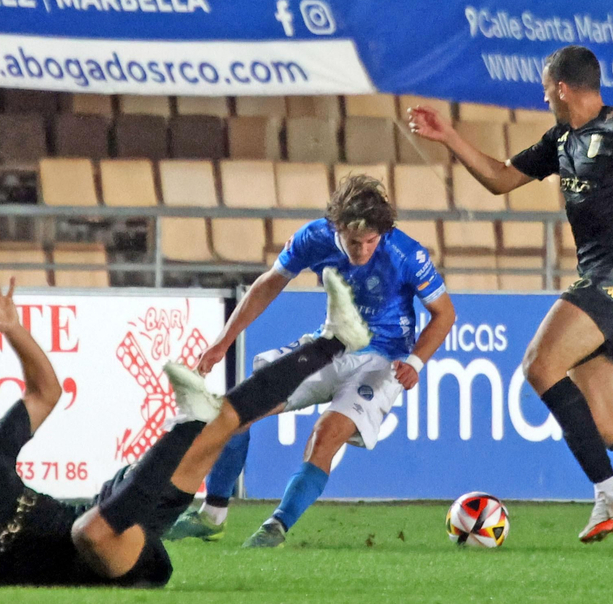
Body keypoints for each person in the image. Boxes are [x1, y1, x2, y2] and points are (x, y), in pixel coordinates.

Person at [407, 44, 613, 552]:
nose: (543, 96)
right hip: (601, 275)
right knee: (606, 426)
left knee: (539, 365)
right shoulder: (562, 139)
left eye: (546, 88)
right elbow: (502, 178)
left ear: (562, 88)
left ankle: (610, 493)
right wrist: (450, 137)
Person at [0, 272, 372, 587]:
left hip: (115, 521)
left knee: (219, 424)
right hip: (104, 566)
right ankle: (182, 421)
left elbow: (46, 392)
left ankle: (334, 340)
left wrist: (14, 330)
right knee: (90, 529)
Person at [165, 174, 456, 548]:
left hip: (382, 360)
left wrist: (415, 361)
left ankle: (276, 527)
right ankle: (212, 515)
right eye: (355, 242)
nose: (365, 250)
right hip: (328, 346)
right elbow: (269, 283)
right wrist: (224, 341)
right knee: (235, 412)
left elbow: (444, 313)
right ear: (337, 228)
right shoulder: (314, 238)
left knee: (327, 435)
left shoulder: (406, 253)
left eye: (372, 241)